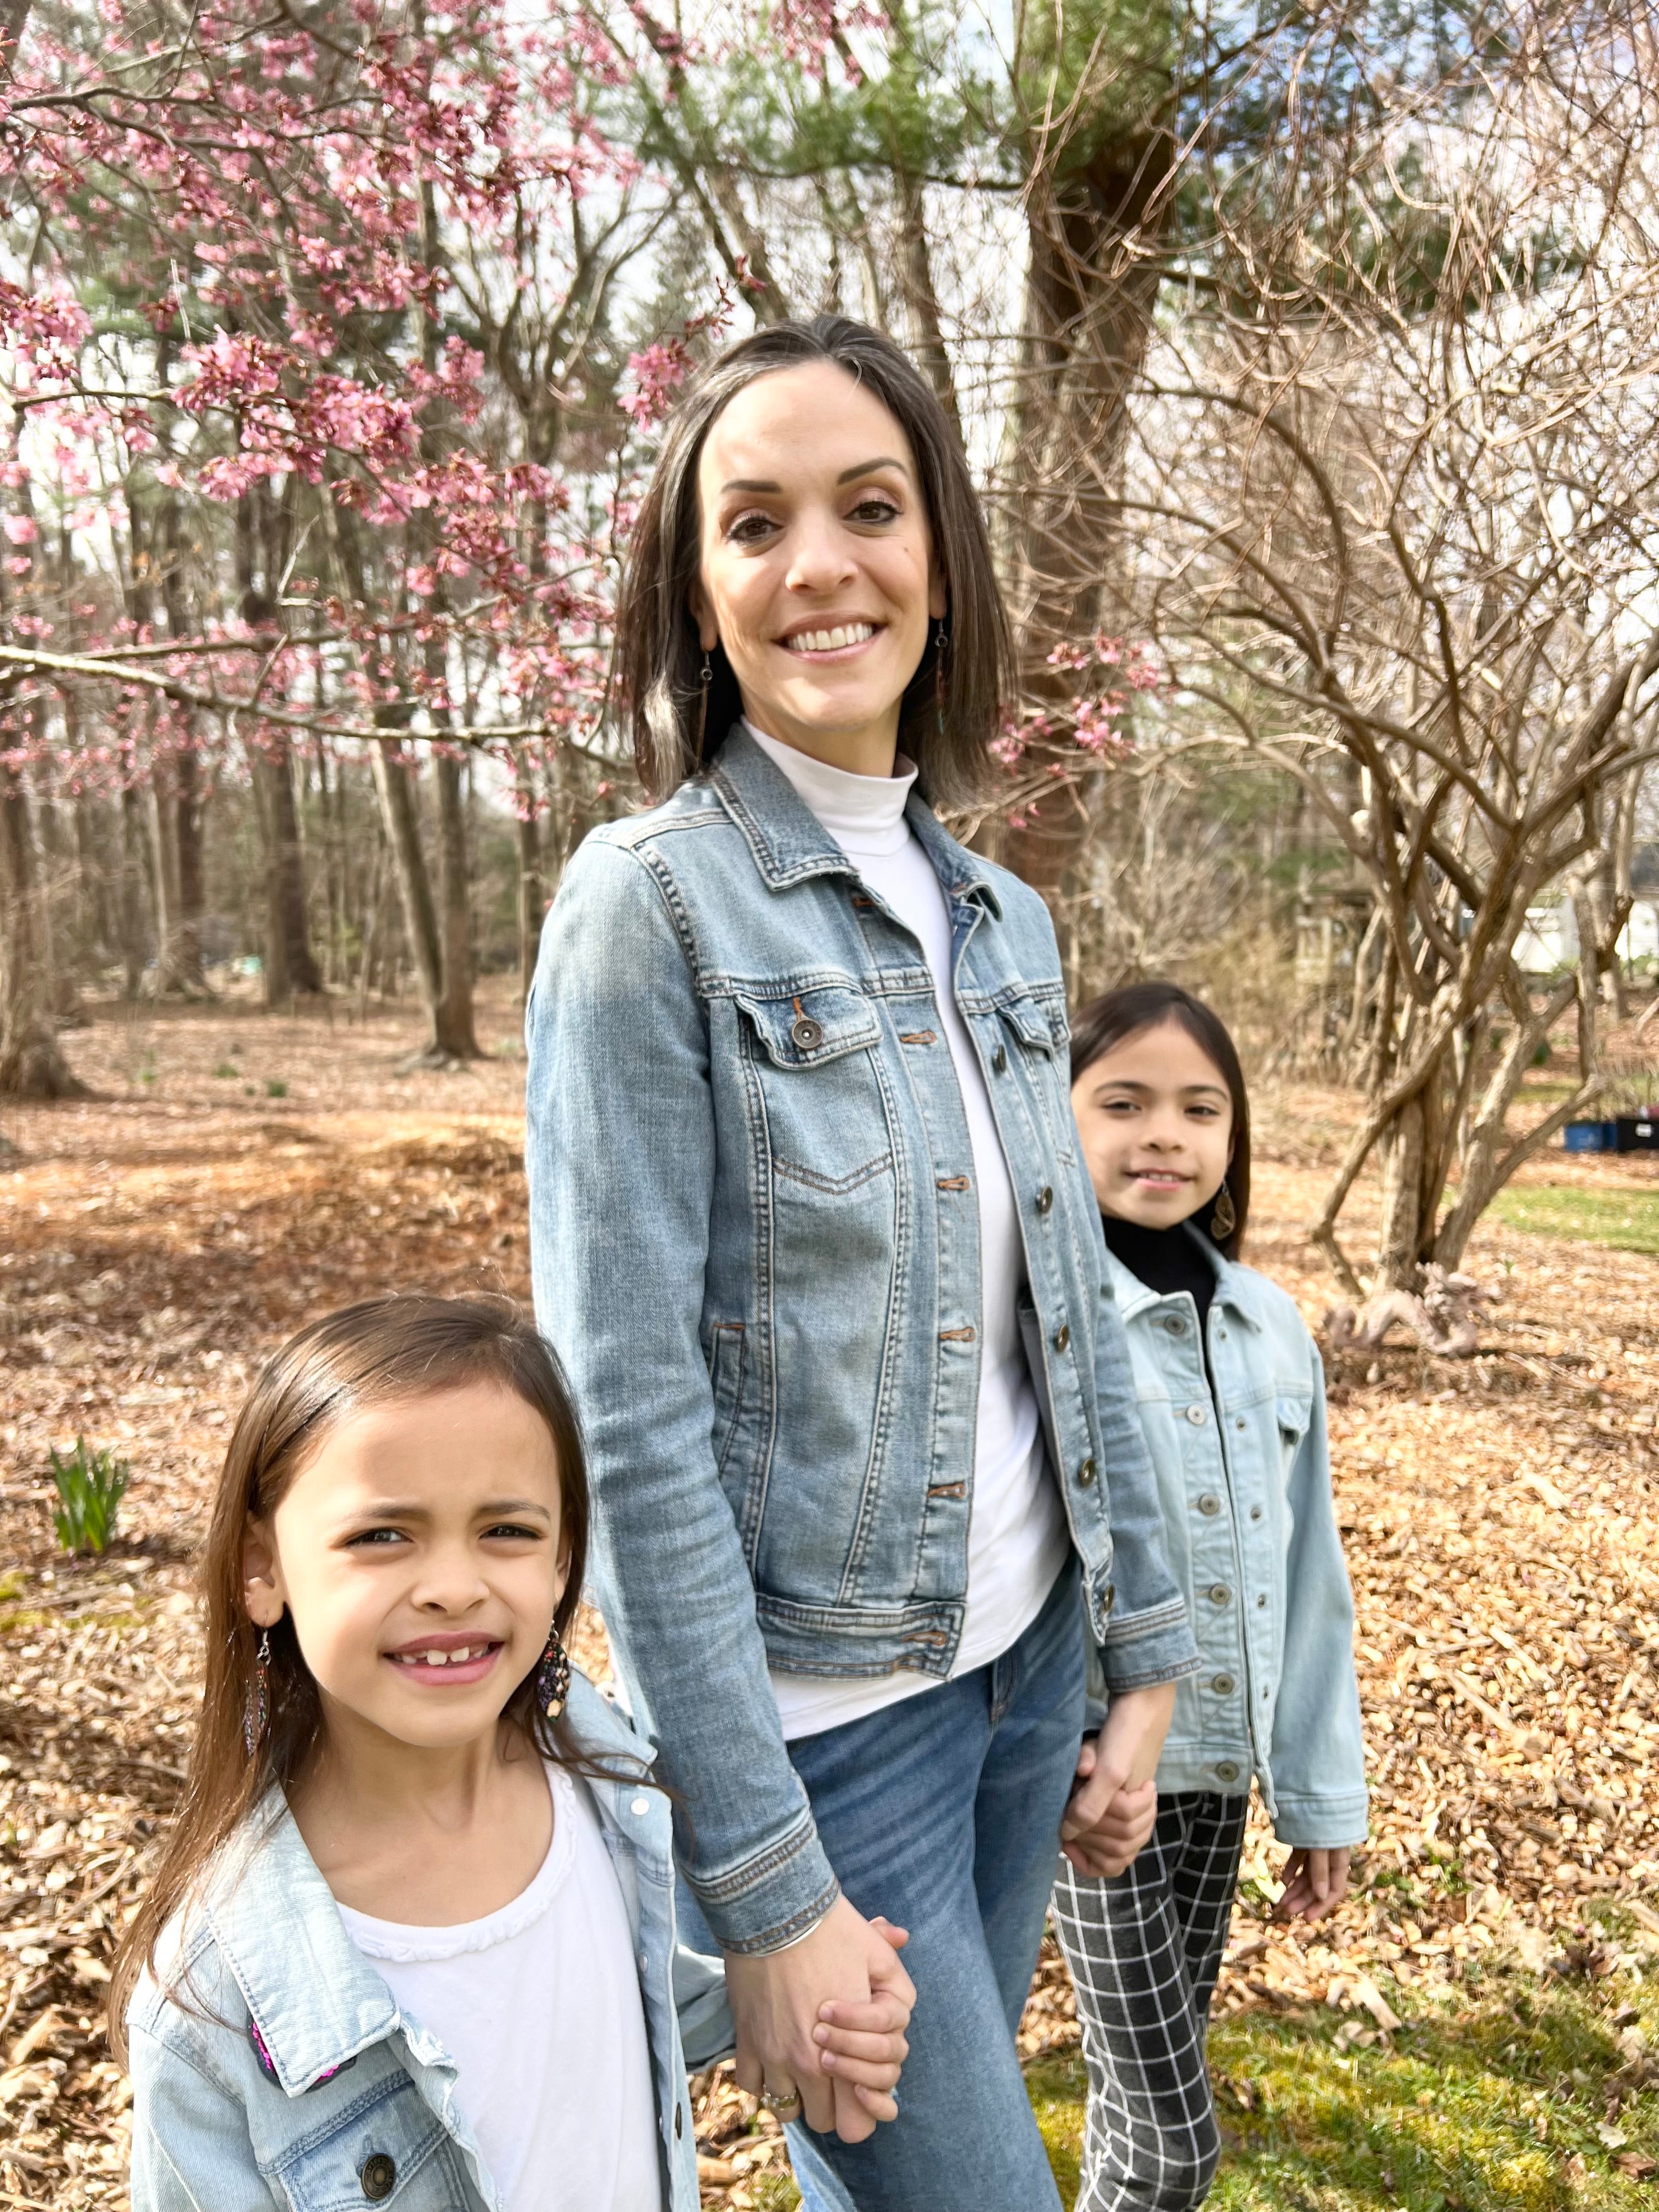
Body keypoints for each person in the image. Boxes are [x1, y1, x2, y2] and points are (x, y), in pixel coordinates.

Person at [526, 314, 1199, 2212]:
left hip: (1023, 1680)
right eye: (755, 521)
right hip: (832, 1746)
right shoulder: (642, 909)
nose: (820, 563)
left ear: (939, 554)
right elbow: (631, 1424)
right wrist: (760, 1882)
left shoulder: (1003, 920)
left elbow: (1070, 1319)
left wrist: (1137, 1660)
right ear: (700, 585)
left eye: (870, 506)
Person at [111, 1295, 911, 2212]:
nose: (454, 1587)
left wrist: (794, 1999)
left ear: (565, 1558)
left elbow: (583, 2021)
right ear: (264, 1570)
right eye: (382, 1536)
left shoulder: (599, 1779)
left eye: (508, 1531)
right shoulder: (214, 2005)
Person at [1051, 984, 1369, 2211]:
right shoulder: (1047, 1317)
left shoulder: (1270, 1327)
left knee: (1136, 2105)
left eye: (1198, 1109)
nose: (1162, 1137)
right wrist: (1065, 1754)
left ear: (1232, 1140)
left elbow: (1307, 1579)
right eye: (1120, 1104)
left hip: (1218, 1773)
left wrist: (1321, 1793)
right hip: (1100, 1786)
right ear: (1057, 1119)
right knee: (1179, 2141)